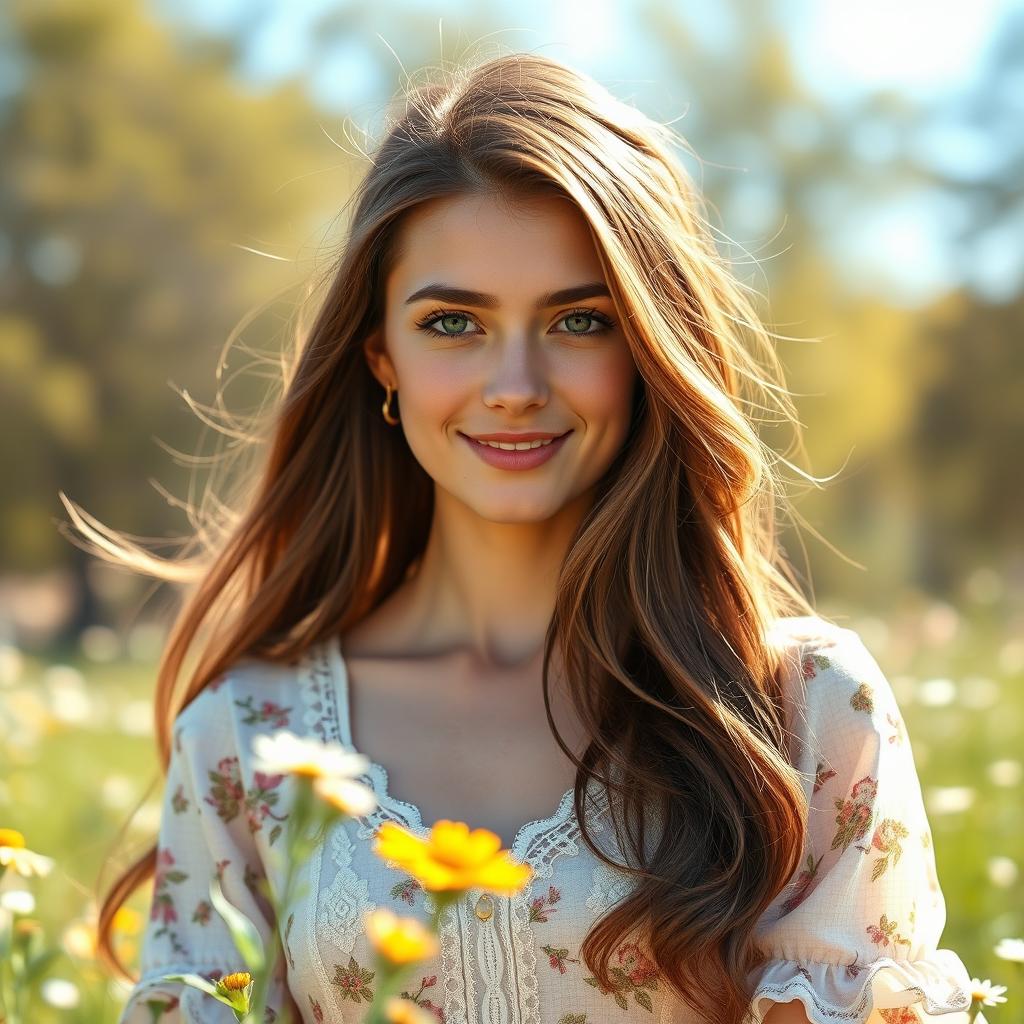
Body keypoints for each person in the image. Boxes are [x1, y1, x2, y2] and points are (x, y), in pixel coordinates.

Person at [84, 52, 980, 1024]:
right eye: (454, 321)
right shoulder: (251, 736)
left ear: (648, 347)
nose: (515, 381)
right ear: (381, 356)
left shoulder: (803, 712)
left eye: (579, 320)